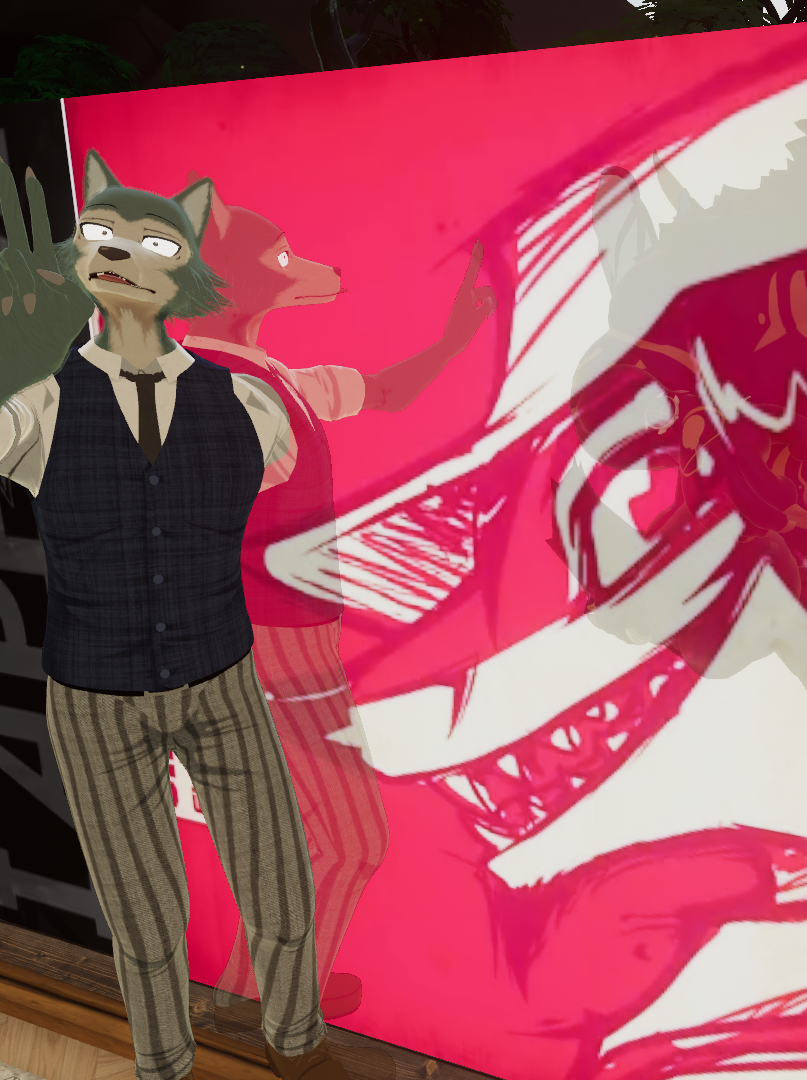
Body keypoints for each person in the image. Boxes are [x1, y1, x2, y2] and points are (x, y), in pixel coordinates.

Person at [0, 150, 344, 1080]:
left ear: (187, 267)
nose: (122, 252)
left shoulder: (248, 402)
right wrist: (6, 364)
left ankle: (298, 1043)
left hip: (224, 677)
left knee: (279, 881)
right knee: (142, 912)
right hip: (93, 696)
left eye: (155, 240)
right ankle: (164, 1065)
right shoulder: (38, 400)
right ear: (78, 262)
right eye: (101, 235)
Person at [176, 181, 495, 1020]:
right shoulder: (229, 394)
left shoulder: (263, 376)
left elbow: (385, 392)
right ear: (223, 283)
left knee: (291, 835)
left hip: (281, 633)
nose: (307, 269)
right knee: (352, 841)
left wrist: (455, 339)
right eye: (280, 258)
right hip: (272, 640)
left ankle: (259, 989)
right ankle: (273, 1004)